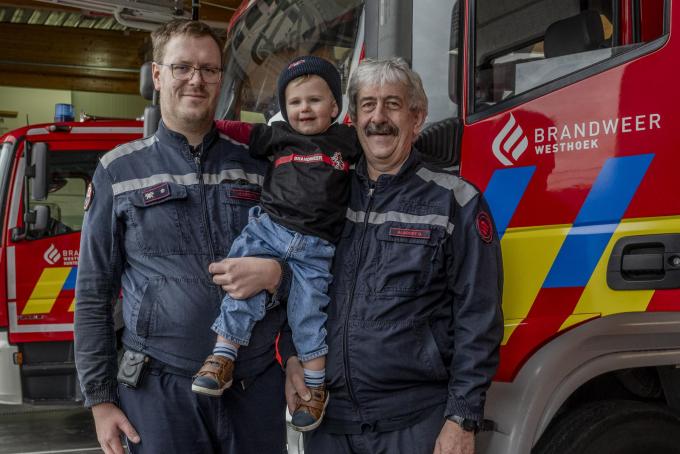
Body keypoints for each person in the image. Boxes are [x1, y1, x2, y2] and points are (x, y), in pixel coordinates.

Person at [74, 19, 293, 454]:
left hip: (253, 386)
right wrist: (100, 399)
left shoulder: (260, 167)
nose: (197, 79)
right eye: (182, 67)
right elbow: (93, 292)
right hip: (159, 391)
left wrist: (278, 275)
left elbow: (308, 264)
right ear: (157, 75)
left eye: (210, 69)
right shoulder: (118, 171)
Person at [279, 57, 505, 454]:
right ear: (353, 119)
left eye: (392, 105)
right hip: (329, 422)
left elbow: (479, 317)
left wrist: (462, 418)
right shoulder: (322, 195)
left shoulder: (456, 202)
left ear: (417, 118)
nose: (378, 118)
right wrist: (293, 356)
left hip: (415, 424)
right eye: (368, 105)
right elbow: (294, 279)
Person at [191, 56, 361, 432]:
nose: (304, 109)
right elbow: (239, 130)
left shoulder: (348, 141)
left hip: (317, 249)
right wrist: (205, 120)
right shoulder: (279, 135)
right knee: (242, 292)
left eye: (315, 101)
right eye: (296, 102)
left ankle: (314, 390)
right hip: (267, 232)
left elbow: (380, 141)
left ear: (335, 106)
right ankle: (222, 357)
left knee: (309, 315)